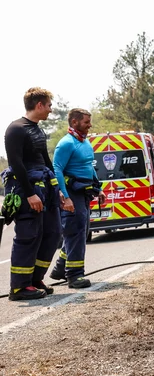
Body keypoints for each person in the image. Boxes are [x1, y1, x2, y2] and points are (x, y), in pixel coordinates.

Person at [3, 87, 62, 300]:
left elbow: (45, 161)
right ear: (39, 105)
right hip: (27, 190)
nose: (50, 110)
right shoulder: (16, 129)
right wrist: (29, 194)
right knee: (29, 236)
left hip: (45, 189)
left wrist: (59, 191)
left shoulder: (38, 129)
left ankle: (35, 279)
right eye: (48, 105)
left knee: (53, 233)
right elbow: (16, 164)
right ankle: (19, 287)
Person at [50, 109, 105, 288]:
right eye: (86, 122)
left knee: (81, 231)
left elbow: (89, 167)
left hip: (84, 193)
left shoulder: (85, 141)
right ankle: (74, 275)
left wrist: (99, 189)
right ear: (74, 122)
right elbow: (56, 169)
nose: (90, 125)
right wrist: (65, 197)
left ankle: (60, 269)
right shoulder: (66, 144)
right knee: (76, 233)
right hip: (71, 193)